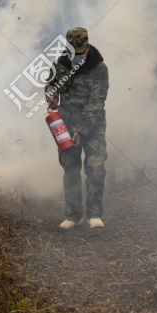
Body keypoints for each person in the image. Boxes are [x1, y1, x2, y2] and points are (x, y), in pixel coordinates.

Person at [46, 27, 109, 229]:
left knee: (96, 167)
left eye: (80, 52)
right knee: (70, 169)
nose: (77, 56)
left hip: (93, 125)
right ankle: (73, 215)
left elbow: (97, 102)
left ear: (87, 46)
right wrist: (51, 96)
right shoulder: (61, 63)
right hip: (66, 124)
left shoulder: (99, 69)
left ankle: (94, 215)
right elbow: (50, 84)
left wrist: (82, 130)